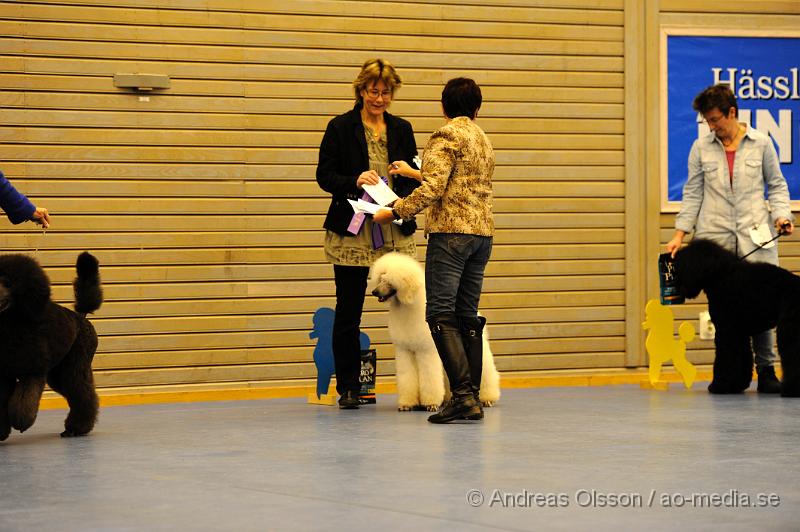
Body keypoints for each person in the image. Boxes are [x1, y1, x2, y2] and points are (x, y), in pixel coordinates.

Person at [374, 77, 495, 423]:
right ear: (477, 107)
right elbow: (458, 180)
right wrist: (415, 172)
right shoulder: (482, 137)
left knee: (440, 313)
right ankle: (471, 395)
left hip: (451, 235)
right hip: (481, 235)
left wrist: (394, 211)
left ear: (443, 107)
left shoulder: (444, 135)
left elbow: (434, 189)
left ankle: (461, 397)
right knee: (467, 315)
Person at [665, 83, 794, 394]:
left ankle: (766, 370)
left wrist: (782, 216)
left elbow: (776, 186)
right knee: (726, 314)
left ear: (731, 113)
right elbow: (693, 193)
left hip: (755, 235)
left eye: (715, 119)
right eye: (707, 121)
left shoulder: (762, 144)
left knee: (762, 306)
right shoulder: (701, 149)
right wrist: (679, 234)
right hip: (716, 241)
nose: (711, 126)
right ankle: (730, 374)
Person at [316, 59, 421, 409]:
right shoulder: (340, 127)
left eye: (386, 92)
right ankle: (348, 387)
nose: (380, 98)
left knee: (412, 308)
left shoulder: (402, 128)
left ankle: (422, 387)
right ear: (361, 90)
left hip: (393, 227)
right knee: (348, 309)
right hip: (353, 231)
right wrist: (354, 182)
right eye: (374, 91)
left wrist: (402, 178)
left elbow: (415, 177)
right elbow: (324, 175)